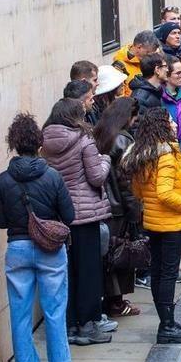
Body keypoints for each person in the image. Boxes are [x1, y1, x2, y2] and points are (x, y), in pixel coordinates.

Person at [0, 113, 75, 362]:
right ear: (39, 142)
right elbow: (69, 215)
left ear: (13, 143)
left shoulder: (3, 180)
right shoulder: (52, 177)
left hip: (17, 248)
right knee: (54, 313)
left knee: (20, 316)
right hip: (50, 250)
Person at [120, 108, 181, 343]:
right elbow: (165, 194)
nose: (175, 125)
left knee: (158, 274)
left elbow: (138, 191)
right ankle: (167, 326)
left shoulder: (144, 155)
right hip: (171, 224)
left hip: (154, 224)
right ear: (161, 126)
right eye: (170, 121)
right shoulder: (166, 155)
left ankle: (166, 322)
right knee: (167, 275)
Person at [42, 98, 114, 345]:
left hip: (59, 214)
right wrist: (106, 160)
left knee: (68, 272)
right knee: (89, 272)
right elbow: (95, 178)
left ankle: (70, 325)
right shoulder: (84, 141)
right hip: (84, 213)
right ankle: (87, 325)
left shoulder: (46, 143)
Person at [93, 98, 143, 318]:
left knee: (107, 255)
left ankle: (110, 300)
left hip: (102, 204)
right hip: (118, 208)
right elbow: (127, 181)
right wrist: (135, 212)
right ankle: (116, 303)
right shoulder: (123, 140)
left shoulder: (100, 133)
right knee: (119, 255)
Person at [113, 30, 160, 96]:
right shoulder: (119, 66)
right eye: (148, 52)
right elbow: (120, 96)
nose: (150, 57)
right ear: (139, 47)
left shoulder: (148, 60)